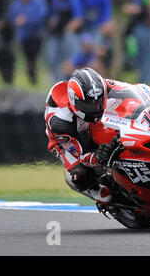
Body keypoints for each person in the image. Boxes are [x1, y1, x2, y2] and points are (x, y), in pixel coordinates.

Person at [44, 67, 115, 204]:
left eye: (98, 102)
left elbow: (128, 89)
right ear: (74, 100)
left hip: (87, 124)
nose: (95, 108)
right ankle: (93, 189)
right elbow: (81, 155)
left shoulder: (98, 87)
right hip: (64, 141)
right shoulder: (61, 123)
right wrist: (98, 156)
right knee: (82, 175)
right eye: (88, 105)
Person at [9, 0, 48, 85]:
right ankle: (32, 80)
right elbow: (12, 16)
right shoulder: (17, 2)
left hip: (37, 36)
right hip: (23, 37)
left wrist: (26, 20)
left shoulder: (38, 1)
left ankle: (38, 80)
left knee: (36, 60)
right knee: (28, 60)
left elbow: (42, 16)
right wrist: (16, 20)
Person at [45, 0, 79, 82]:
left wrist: (70, 27)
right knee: (52, 56)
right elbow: (46, 15)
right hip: (54, 34)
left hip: (67, 34)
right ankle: (56, 79)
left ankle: (70, 79)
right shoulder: (52, 0)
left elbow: (78, 17)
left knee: (69, 56)